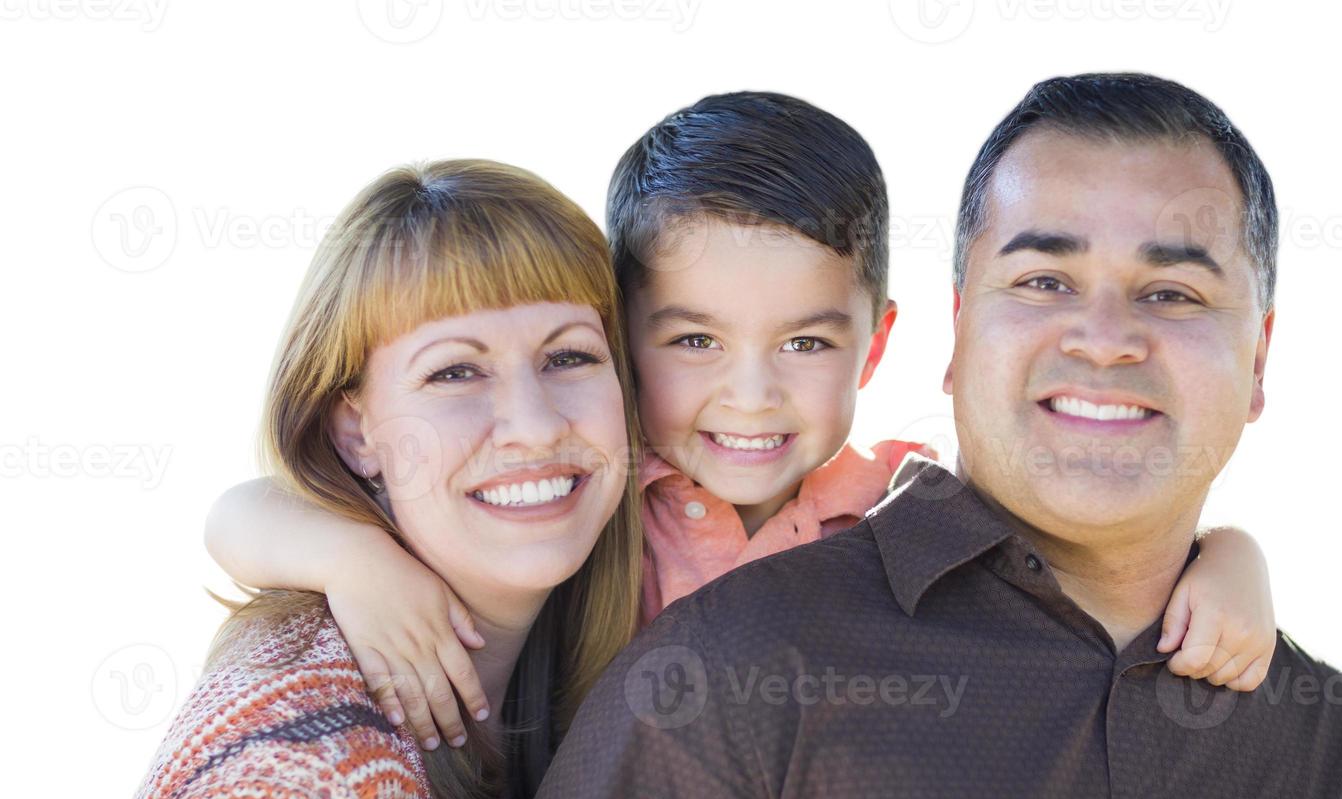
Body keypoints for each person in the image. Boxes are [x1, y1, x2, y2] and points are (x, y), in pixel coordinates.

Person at [500, 74, 1342, 799]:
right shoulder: (715, 670)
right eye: (1044, 280)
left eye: (1172, 293)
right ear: (956, 336)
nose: (1104, 334)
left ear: (1259, 359)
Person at [202, 92, 1280, 757]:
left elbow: (1083, 558)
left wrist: (1230, 556)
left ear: (876, 341)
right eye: (694, 342)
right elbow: (239, 514)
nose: (752, 397)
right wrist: (354, 560)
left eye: (806, 345)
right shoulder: (591, 499)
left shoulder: (903, 504)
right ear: (622, 341)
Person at [92, 159, 644, 799]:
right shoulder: (289, 794)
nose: (532, 424)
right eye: (454, 371)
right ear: (355, 432)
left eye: (569, 357)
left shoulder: (618, 647)